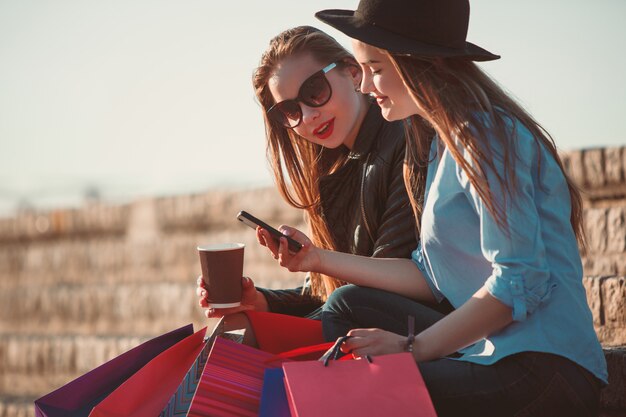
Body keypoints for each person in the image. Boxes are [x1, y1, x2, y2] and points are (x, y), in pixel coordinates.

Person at [256, 0, 608, 415]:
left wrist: (413, 348)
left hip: (541, 366)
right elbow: (429, 276)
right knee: (349, 306)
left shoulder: (485, 137)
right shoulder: (440, 145)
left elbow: (520, 279)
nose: (366, 84)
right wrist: (317, 259)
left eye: (376, 68)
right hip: (488, 350)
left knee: (355, 390)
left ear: (419, 64)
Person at [197, 25, 420, 321]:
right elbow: (328, 290)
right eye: (290, 110)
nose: (308, 116)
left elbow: (378, 289)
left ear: (353, 72)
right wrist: (262, 302)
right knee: (239, 325)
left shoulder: (404, 140)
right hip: (366, 323)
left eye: (314, 91)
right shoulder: (332, 169)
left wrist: (319, 260)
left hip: (428, 334)